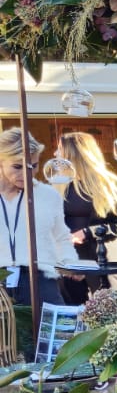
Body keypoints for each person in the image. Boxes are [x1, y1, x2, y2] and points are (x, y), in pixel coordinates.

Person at [0, 128, 74, 307]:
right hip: (2, 279)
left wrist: (71, 263)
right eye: (17, 167)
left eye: (33, 166)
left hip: (41, 280)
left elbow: (62, 237)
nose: (27, 174)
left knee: (58, 333)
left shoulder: (48, 195)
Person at [55, 132, 117, 302]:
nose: (55, 155)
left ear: (74, 154)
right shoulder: (60, 185)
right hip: (70, 262)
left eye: (59, 150)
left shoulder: (109, 184)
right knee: (73, 314)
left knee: (109, 310)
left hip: (102, 259)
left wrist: (87, 232)